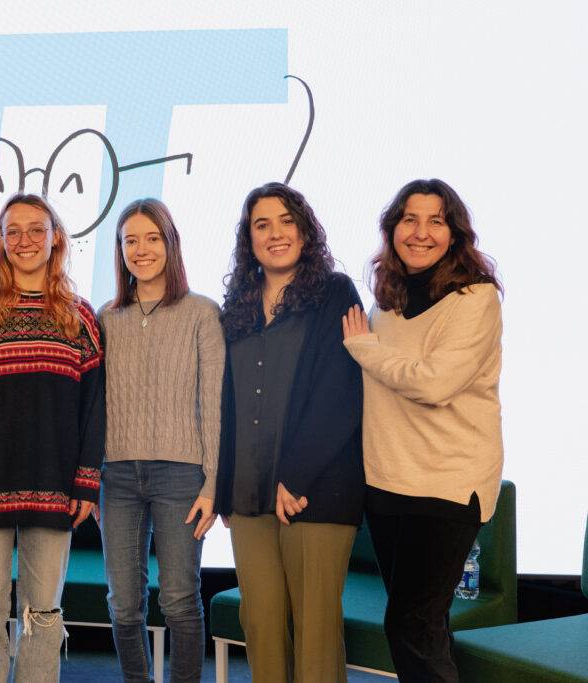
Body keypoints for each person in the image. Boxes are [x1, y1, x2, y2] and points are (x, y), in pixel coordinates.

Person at [342, 178, 503, 682]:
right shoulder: (387, 300)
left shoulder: (475, 299)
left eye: (436, 221)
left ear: (454, 233)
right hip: (387, 482)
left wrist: (364, 348)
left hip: (447, 486)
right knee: (422, 626)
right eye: (409, 219)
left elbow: (435, 384)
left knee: (410, 625)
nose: (421, 232)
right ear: (393, 229)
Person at [0, 193, 104, 683]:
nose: (25, 240)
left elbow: (94, 409)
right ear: (0, 241)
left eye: (37, 229)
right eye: (12, 231)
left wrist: (87, 482)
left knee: (43, 614)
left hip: (54, 484)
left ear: (56, 238)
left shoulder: (80, 317)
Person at [215, 182, 364, 683]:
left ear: (304, 230)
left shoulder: (335, 293)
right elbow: (225, 403)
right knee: (260, 627)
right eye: (262, 225)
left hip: (314, 493)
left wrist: (295, 477)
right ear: (249, 238)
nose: (275, 233)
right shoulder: (236, 306)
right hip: (248, 494)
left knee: (315, 638)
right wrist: (223, 487)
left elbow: (341, 393)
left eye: (286, 221)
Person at [97, 198, 223, 682]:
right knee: (123, 604)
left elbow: (214, 403)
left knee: (179, 601)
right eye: (130, 240)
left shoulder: (202, 313)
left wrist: (213, 483)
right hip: (117, 476)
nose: (141, 249)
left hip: (182, 476)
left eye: (152, 238)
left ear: (171, 244)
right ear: (120, 250)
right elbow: (95, 406)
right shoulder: (106, 317)